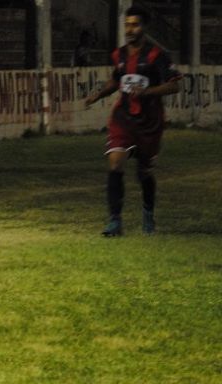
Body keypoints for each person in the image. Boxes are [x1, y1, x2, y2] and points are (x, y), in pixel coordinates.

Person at [85, 6, 181, 236]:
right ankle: (114, 222)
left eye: (135, 24)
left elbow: (174, 84)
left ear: (144, 27)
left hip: (149, 122)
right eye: (127, 24)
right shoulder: (119, 55)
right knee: (116, 162)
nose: (130, 29)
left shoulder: (157, 55)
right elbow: (116, 81)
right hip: (123, 118)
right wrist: (98, 94)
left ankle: (148, 214)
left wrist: (146, 92)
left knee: (144, 174)